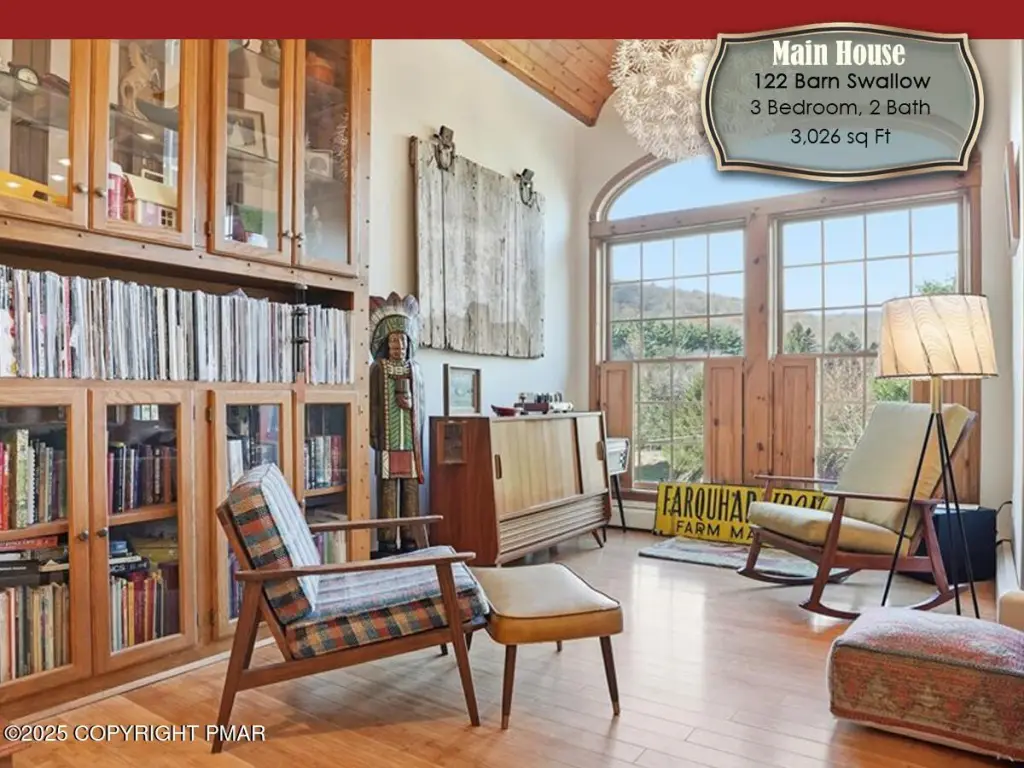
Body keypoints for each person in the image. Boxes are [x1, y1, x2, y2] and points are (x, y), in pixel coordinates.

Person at [368, 293, 424, 555]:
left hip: (410, 442)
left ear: (409, 343)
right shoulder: (378, 369)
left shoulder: (415, 370)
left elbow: (421, 403)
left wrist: (412, 404)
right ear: (385, 343)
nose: (398, 346)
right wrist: (374, 433)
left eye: (402, 340)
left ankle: (410, 538)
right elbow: (373, 404)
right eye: (393, 340)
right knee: (388, 491)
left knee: (410, 490)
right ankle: (387, 541)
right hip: (387, 441)